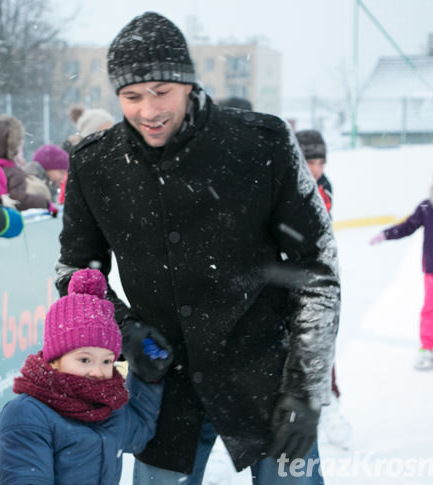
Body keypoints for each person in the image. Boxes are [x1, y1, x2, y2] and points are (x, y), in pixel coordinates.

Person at [56, 12, 340, 484]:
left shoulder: (262, 144)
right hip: (164, 388)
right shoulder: (94, 164)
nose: (149, 110)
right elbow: (75, 273)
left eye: (162, 92)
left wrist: (306, 389)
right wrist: (127, 330)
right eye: (131, 96)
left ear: (189, 84)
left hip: (267, 376)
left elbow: (317, 271)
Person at [0, 268, 170, 484]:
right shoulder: (28, 415)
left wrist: (146, 375)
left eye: (106, 361)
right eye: (84, 360)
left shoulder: (107, 407)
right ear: (55, 359)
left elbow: (138, 434)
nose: (97, 371)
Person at [370, 148, 433, 370]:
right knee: (431, 308)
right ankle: (430, 348)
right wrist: (386, 234)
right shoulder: (427, 206)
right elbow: (408, 226)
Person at [295, 129, 351, 450]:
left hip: (314, 278)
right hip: (284, 278)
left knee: (320, 340)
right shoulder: (285, 183)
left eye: (320, 161)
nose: (315, 168)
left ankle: (329, 402)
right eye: (309, 161)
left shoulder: (323, 186)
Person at [0, 115, 58, 216]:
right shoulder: (12, 172)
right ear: (12, 144)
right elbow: (18, 200)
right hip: (6, 221)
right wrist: (45, 203)